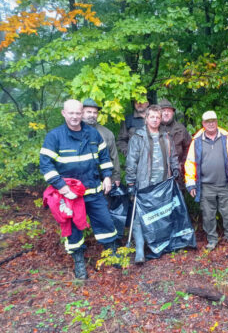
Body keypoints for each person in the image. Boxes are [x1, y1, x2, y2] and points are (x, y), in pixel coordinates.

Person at [40, 99, 118, 279]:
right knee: (74, 230)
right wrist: (62, 187)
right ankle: (79, 263)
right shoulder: (54, 136)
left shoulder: (93, 134)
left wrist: (107, 176)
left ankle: (112, 255)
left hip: (94, 191)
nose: (75, 117)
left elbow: (105, 157)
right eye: (71, 113)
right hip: (70, 196)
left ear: (82, 113)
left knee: (106, 223)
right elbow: (46, 165)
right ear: (64, 113)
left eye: (78, 113)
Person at [125, 104, 180, 263]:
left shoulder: (166, 136)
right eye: (152, 117)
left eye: (158, 117)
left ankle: (159, 245)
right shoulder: (138, 137)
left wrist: (175, 169)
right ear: (146, 118)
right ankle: (140, 251)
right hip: (144, 184)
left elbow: (173, 157)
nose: (155, 120)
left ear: (161, 119)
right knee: (140, 217)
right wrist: (130, 183)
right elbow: (131, 161)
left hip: (163, 183)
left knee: (161, 214)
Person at [184, 111, 228, 250]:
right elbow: (190, 163)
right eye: (207, 121)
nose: (211, 124)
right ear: (203, 124)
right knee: (208, 215)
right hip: (205, 186)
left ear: (217, 122)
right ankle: (211, 239)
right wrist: (191, 184)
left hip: (225, 184)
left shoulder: (227, 138)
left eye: (213, 121)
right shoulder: (197, 140)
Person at [82, 98, 121, 187]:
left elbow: (114, 156)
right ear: (81, 113)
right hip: (79, 180)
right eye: (89, 112)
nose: (92, 115)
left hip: (103, 179)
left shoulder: (106, 133)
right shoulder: (74, 131)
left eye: (95, 112)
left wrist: (116, 177)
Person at [158, 98, 192, 188]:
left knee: (177, 199)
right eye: (163, 110)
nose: (166, 113)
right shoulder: (154, 128)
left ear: (173, 113)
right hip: (158, 174)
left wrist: (182, 164)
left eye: (168, 111)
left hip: (177, 174)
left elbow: (189, 148)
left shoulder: (181, 128)